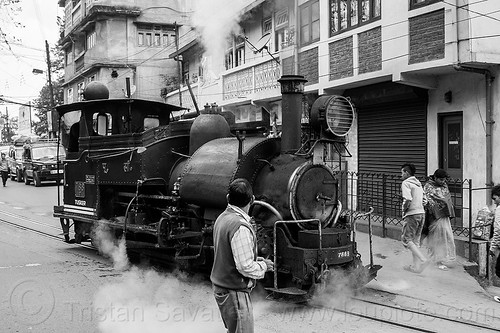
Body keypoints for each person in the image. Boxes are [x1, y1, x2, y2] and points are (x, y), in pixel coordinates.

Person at [210, 178, 274, 333]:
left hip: (223, 288)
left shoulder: (223, 218)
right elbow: (244, 267)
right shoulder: (240, 226)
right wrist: (264, 266)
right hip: (234, 293)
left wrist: (254, 259)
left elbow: (229, 253)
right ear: (252, 200)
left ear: (228, 198)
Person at [423, 169, 457, 270]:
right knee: (437, 238)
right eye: (441, 180)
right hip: (434, 217)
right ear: (435, 178)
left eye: (444, 180)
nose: (443, 182)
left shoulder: (444, 185)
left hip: (444, 217)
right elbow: (430, 201)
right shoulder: (428, 186)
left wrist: (446, 206)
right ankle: (437, 261)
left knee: (447, 237)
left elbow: (447, 199)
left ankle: (447, 259)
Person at [400, 163, 430, 273]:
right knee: (416, 241)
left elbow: (407, 199)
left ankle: (422, 260)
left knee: (406, 239)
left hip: (412, 214)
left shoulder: (406, 183)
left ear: (407, 173)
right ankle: (416, 267)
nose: (401, 175)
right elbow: (425, 201)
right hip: (421, 213)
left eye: (402, 173)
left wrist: (404, 209)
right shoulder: (418, 184)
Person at [489, 184, 500, 281]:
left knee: (499, 270)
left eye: (495, 198)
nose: (494, 201)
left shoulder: (499, 210)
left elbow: (497, 230)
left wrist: (493, 248)